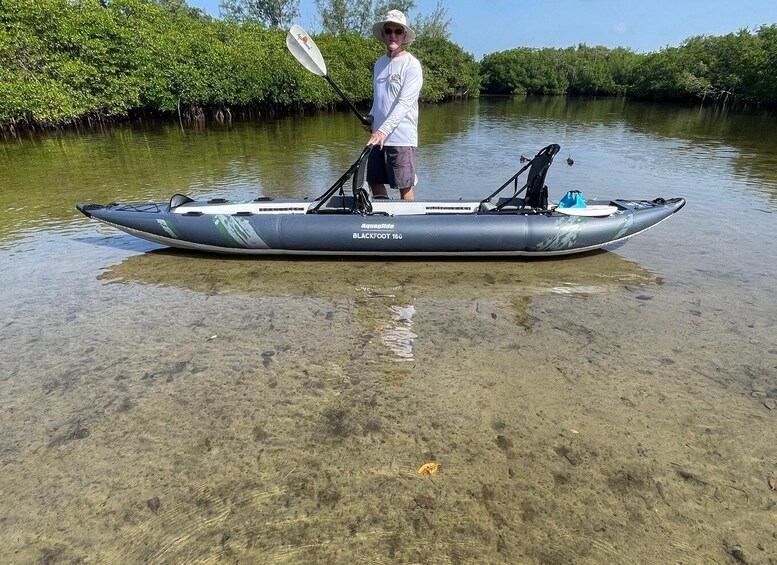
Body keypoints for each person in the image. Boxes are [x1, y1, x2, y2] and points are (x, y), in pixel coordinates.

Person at [362, 10, 423, 201]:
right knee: (373, 180)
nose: (393, 35)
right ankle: (385, 218)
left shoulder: (411, 65)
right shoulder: (378, 64)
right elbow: (379, 99)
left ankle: (409, 227)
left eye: (398, 31)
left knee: (404, 185)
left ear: (404, 35)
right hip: (378, 136)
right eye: (389, 31)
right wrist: (371, 117)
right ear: (383, 34)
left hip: (401, 138)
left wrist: (382, 131)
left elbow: (404, 104)